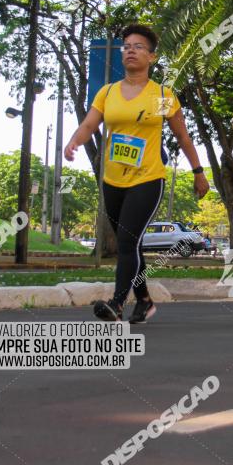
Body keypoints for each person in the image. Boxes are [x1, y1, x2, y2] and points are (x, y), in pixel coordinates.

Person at [64, 24, 209, 324]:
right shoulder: (108, 93)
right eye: (127, 45)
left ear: (152, 57)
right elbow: (90, 124)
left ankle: (117, 304)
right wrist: (74, 141)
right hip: (113, 180)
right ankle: (144, 300)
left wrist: (198, 172)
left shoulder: (161, 95)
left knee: (128, 242)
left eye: (139, 46)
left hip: (147, 178)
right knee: (131, 243)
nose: (130, 50)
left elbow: (183, 136)